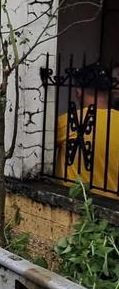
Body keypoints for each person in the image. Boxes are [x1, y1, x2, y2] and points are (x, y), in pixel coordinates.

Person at [55, 62, 119, 197]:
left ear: (78, 91)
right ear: (109, 91)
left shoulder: (68, 121)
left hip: (76, 203)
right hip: (112, 204)